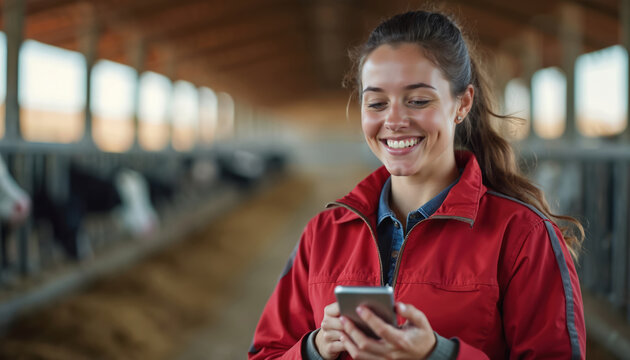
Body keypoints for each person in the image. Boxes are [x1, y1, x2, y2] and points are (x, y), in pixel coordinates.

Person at [249, 9, 585, 360]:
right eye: (377, 103)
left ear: (463, 103)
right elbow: (266, 353)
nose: (394, 120)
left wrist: (439, 354)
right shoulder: (324, 235)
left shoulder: (522, 237)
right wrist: (313, 349)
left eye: (418, 100)